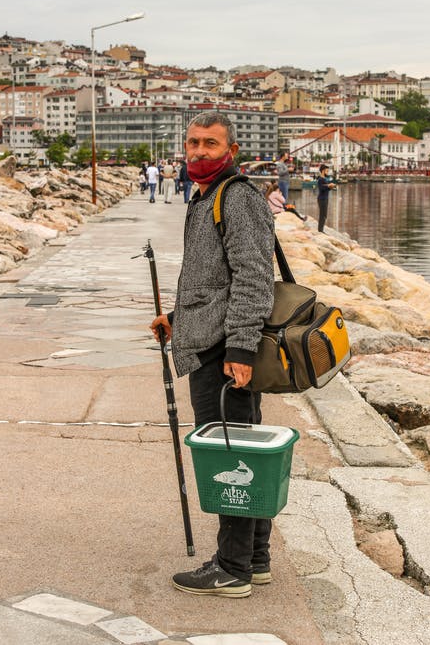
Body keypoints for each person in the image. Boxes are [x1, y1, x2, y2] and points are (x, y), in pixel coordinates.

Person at [150, 112, 275, 599]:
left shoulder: (237, 197)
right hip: (210, 341)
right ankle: (254, 559)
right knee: (244, 453)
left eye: (210, 144)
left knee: (228, 457)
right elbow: (212, 280)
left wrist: (241, 348)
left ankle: (231, 568)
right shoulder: (206, 197)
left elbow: (252, 278)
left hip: (224, 353)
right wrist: (179, 319)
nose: (199, 152)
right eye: (193, 143)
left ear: (231, 150)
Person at [316, 163, 336, 233]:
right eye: (327, 171)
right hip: (322, 199)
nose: (327, 172)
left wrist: (331, 187)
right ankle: (320, 230)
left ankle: (321, 229)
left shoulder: (324, 179)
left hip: (325, 198)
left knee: (325, 215)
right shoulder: (320, 179)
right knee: (322, 215)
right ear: (323, 171)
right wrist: (328, 186)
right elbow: (321, 188)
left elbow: (326, 189)